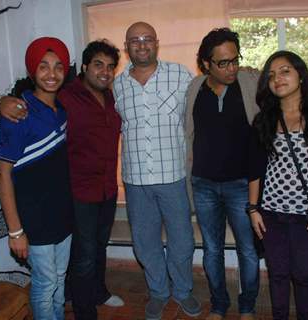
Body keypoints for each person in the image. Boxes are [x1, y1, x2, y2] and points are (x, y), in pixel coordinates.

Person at [0, 40, 124, 320]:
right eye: (98, 65)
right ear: (84, 68)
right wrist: (0, 101)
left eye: (110, 67)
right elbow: (3, 171)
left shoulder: (66, 109)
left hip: (79, 200)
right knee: (58, 275)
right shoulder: (61, 98)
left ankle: (96, 293)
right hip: (68, 199)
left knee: (67, 269)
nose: (105, 71)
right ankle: (84, 310)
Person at [112, 21, 201, 320]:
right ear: (127, 47)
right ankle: (159, 292)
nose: (141, 44)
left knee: (183, 242)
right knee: (145, 244)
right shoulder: (117, 84)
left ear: (156, 43)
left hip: (173, 177)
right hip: (136, 181)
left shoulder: (181, 75)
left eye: (147, 39)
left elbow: (211, 88)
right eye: (134, 40)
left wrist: (244, 73)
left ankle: (183, 291)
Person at [248, 50, 308, 320]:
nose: (278, 78)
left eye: (285, 71)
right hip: (271, 213)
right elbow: (255, 169)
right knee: (277, 274)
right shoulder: (263, 119)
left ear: (301, 75)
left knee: (302, 273)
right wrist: (253, 210)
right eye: (272, 75)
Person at [185, 28, 260, 320]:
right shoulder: (194, 89)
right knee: (212, 250)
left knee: (248, 251)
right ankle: (218, 304)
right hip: (203, 185)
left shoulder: (250, 81)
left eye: (235, 60)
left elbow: (294, 87)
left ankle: (248, 305)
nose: (232, 68)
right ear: (206, 64)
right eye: (223, 63)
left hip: (242, 185)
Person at [0, 37, 73, 320]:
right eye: (43, 67)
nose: (51, 74)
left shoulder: (61, 111)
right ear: (32, 71)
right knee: (45, 283)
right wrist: (15, 230)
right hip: (35, 218)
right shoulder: (19, 112)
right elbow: (2, 174)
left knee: (60, 277)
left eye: (58, 67)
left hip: (62, 213)